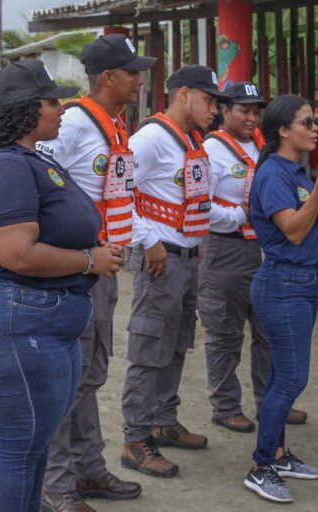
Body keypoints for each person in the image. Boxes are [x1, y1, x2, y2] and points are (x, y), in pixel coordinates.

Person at [0, 58, 123, 512]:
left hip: (41, 323)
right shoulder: (7, 167)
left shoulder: (29, 159)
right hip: (19, 324)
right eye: (52, 101)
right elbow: (14, 252)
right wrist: (88, 259)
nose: (62, 109)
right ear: (25, 109)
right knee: (19, 452)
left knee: (34, 448)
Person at [35, 34, 155, 512]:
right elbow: (40, 185)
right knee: (70, 378)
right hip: (78, 269)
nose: (140, 80)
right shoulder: (74, 124)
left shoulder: (115, 125)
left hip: (103, 268)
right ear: (108, 77)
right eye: (132, 72)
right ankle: (57, 485)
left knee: (92, 374)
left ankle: (87, 471)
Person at [120, 64, 230, 478]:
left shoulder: (189, 140)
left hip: (185, 257)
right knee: (148, 350)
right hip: (160, 258)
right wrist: (147, 239)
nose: (215, 110)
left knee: (177, 345)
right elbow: (117, 193)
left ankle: (162, 420)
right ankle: (134, 439)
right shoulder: (150, 139)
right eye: (209, 100)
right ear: (184, 94)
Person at [243, 95, 318, 503]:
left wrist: (315, 187)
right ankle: (262, 465)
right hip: (284, 285)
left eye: (315, 121)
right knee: (292, 378)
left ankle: (278, 455)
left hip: (301, 284)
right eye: (307, 122)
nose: (315, 128)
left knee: (284, 374)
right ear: (283, 130)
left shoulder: (294, 172)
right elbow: (294, 231)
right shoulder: (274, 175)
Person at [200, 81, 307, 433]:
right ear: (224, 111)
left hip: (264, 249)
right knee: (225, 333)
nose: (251, 117)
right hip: (226, 248)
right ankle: (226, 405)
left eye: (256, 111)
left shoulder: (265, 147)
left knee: (268, 331)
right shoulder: (210, 151)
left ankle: (271, 401)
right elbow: (201, 207)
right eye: (243, 110)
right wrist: (243, 215)